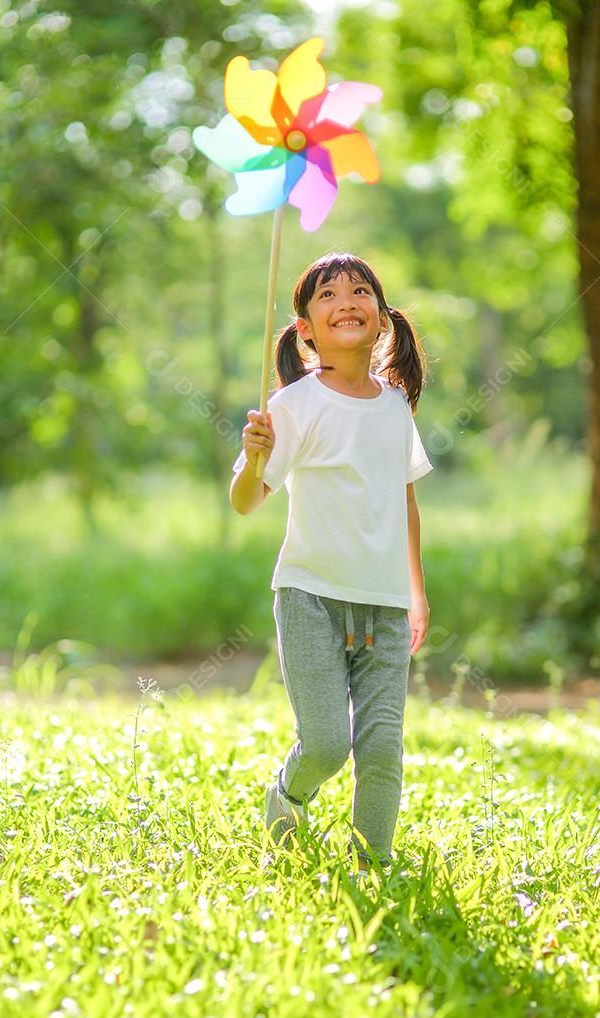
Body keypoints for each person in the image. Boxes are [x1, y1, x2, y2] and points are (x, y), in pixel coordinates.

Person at [229, 252, 433, 875]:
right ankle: (289, 794)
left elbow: (406, 500)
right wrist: (254, 457)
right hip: (310, 595)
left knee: (382, 747)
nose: (347, 299)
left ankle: (373, 863)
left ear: (381, 320)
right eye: (327, 293)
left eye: (360, 289)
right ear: (305, 328)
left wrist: (416, 592)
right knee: (325, 743)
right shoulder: (293, 404)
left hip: (385, 603)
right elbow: (244, 502)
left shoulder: (395, 406)